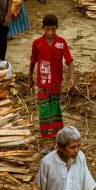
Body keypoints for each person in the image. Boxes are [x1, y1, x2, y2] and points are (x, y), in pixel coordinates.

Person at [29, 14, 75, 143]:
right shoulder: (37, 43)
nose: (50, 32)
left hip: (56, 83)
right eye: (47, 29)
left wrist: (71, 77)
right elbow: (32, 62)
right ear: (43, 28)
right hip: (42, 84)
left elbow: (69, 61)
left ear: (57, 28)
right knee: (44, 111)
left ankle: (57, 137)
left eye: (53, 29)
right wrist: (30, 78)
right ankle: (46, 140)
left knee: (55, 109)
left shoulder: (61, 43)